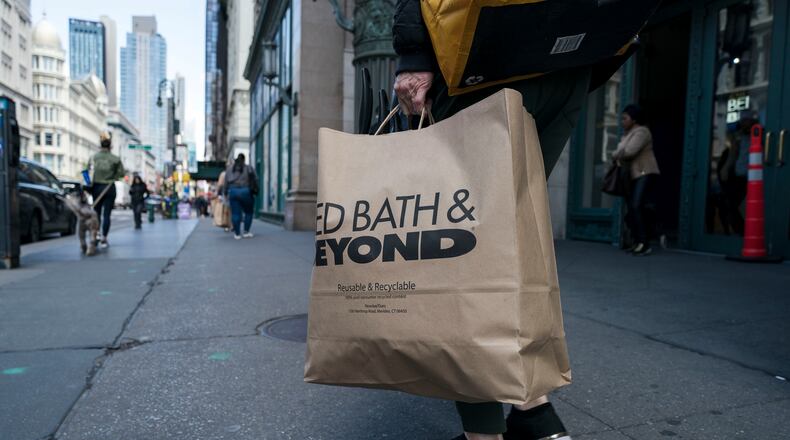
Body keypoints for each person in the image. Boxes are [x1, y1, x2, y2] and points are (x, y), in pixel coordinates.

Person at [391, 2, 618, 439]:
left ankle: (484, 433)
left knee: (463, 251)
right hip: (571, 54)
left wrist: (415, 56)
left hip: (487, 54)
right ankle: (535, 412)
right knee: (514, 240)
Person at [613, 105, 660, 256]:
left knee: (636, 206)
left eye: (625, 118)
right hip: (635, 175)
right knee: (633, 207)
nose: (622, 121)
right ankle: (638, 241)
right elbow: (619, 151)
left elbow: (629, 151)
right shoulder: (628, 133)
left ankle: (644, 243)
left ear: (634, 119)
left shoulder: (642, 131)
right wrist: (620, 152)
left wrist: (619, 153)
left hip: (644, 173)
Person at [90, 131, 125, 247]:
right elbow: (121, 173)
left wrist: (89, 184)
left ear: (100, 145)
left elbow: (86, 172)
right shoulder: (115, 159)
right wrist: (113, 177)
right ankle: (104, 237)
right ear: (111, 146)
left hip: (97, 187)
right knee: (107, 214)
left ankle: (96, 234)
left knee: (97, 213)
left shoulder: (94, 157)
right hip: (109, 187)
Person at [224, 153, 257, 239]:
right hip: (246, 192)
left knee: (235, 213)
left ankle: (237, 234)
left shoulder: (229, 170)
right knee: (249, 212)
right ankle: (246, 232)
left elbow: (225, 183)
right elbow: (255, 179)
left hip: (233, 192)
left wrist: (225, 193)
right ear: (244, 159)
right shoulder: (249, 168)